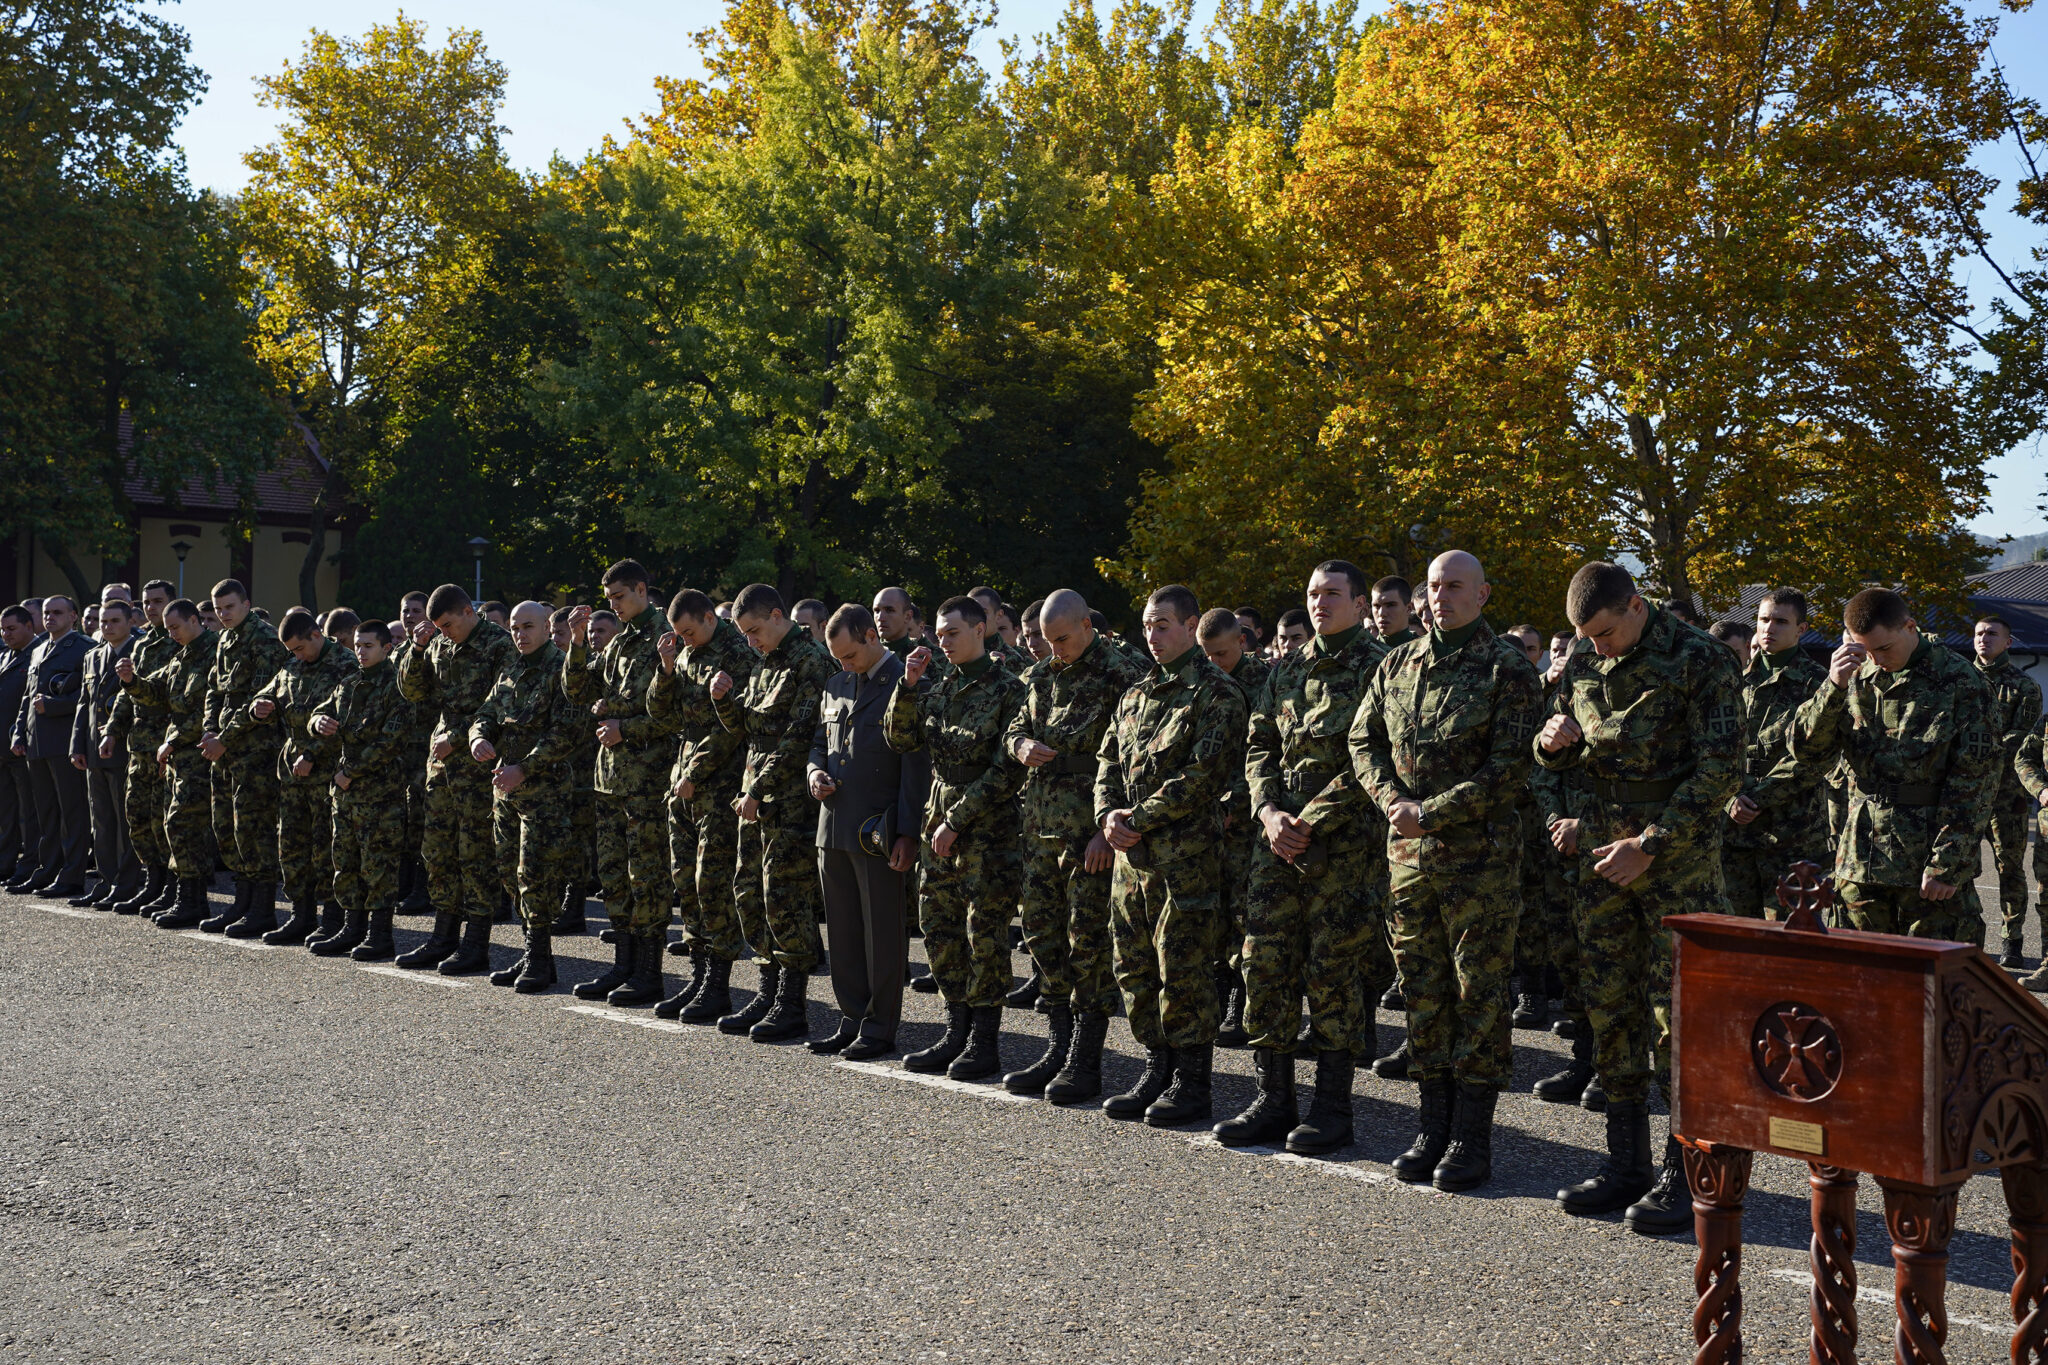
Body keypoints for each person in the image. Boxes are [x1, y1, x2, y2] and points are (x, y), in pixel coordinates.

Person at [1536, 562, 1742, 1234]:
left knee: (1678, 1022)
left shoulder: (1700, 658)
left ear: (1634, 605)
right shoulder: (1585, 664)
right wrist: (1549, 747)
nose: (1595, 648)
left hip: (1673, 868)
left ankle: (1689, 1177)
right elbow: (1569, 754)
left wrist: (1650, 842)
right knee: (1613, 1011)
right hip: (1602, 864)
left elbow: (1721, 770)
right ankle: (1625, 1163)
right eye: (1583, 638)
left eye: (1603, 633)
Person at [1353, 551, 1542, 1191]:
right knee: (1422, 991)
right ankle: (1432, 1126)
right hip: (1407, 862)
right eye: (1433, 587)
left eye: (1455, 586)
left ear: (1483, 594)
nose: (1442, 597)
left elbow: (1511, 768)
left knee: (1478, 997)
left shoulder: (1508, 670)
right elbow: (1363, 741)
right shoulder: (1397, 662)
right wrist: (1390, 801)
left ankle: (1471, 1137)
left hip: (1478, 862)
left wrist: (1430, 812)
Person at [1215, 564, 1389, 1153]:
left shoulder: (1379, 666)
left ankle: (1332, 1107)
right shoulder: (1286, 665)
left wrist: (1309, 820)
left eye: (1332, 595)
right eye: (1312, 594)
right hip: (1277, 842)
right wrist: (1268, 812)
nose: (1319, 604)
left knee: (1333, 971)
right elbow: (1259, 741)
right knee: (1265, 960)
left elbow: (1376, 756)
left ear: (1360, 603)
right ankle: (1273, 1097)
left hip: (1343, 845)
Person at [1096, 584, 1248, 1127]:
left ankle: (1191, 1081)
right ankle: (1156, 1066)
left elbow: (1204, 776)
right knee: (1134, 968)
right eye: (1147, 626)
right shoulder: (1137, 694)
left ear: (1190, 627)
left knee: (1183, 970)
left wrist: (1136, 819)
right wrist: (1108, 814)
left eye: (1163, 625)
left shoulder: (1218, 693)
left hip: (1186, 860)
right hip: (1131, 862)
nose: (1153, 636)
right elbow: (1108, 760)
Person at [1789, 588, 1999, 949]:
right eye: (1865, 649)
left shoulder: (1963, 684)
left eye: (1883, 648)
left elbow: (1976, 784)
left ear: (1910, 627)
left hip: (1925, 865)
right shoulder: (1853, 677)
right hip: (1860, 860)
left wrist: (1946, 864)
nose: (1875, 658)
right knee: (1857, 978)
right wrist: (1833, 686)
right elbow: (1807, 751)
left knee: (1931, 986)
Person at [1001, 589, 1146, 1097]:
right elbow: (1013, 726)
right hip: (1039, 830)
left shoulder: (1122, 675)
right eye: (1046, 640)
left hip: (1090, 835)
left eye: (1062, 638)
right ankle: (1057, 1048)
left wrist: (1102, 830)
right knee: (1043, 937)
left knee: (1089, 945)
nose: (1054, 648)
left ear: (1088, 625)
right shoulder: (1041, 674)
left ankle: (1086, 1061)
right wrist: (1020, 745)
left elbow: (1132, 760)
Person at [884, 595, 1028, 1075]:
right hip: (939, 821)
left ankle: (985, 1042)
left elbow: (1006, 769)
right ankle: (956, 1031)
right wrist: (907, 685)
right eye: (939, 634)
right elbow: (899, 739)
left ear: (981, 629)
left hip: (987, 830)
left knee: (983, 933)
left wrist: (958, 819)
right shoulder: (939, 687)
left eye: (953, 633)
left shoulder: (1010, 689)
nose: (942, 642)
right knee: (940, 927)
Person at [711, 583, 836, 1039]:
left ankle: (792, 1001)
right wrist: (723, 700)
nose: (750, 641)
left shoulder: (812, 661)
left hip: (786, 798)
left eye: (755, 630)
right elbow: (748, 727)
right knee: (750, 893)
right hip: (755, 794)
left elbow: (800, 736)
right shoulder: (766, 663)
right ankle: (767, 991)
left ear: (779, 615)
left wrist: (759, 790)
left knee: (785, 897)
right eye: (744, 633)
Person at [808, 603, 929, 1057]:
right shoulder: (836, 682)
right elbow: (821, 743)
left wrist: (908, 832)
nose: (844, 665)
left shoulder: (905, 681)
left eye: (850, 655)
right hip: (833, 824)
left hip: (877, 829)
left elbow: (915, 764)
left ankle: (880, 1026)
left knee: (881, 933)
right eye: (836, 657)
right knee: (841, 930)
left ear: (870, 637)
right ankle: (851, 1016)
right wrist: (813, 774)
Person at [563, 561, 682, 1007]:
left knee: (645, 876)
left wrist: (624, 728)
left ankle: (649, 972)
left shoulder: (663, 639)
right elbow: (579, 692)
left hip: (646, 780)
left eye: (618, 597)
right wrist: (577, 643)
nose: (611, 605)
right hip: (610, 779)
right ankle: (624, 964)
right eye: (608, 598)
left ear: (641, 589)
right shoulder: (621, 640)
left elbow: (671, 714)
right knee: (614, 875)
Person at [647, 589, 759, 1022]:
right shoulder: (687, 654)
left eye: (689, 631)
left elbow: (731, 728)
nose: (685, 640)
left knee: (712, 882)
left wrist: (693, 774)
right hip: (685, 779)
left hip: (720, 782)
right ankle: (698, 975)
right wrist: (666, 669)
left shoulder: (738, 653)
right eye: (678, 634)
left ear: (710, 618)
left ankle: (719, 983)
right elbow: (664, 716)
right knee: (685, 880)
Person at [396, 584, 519, 973]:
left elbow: (505, 702)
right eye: (438, 627)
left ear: (469, 611)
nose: (443, 632)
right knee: (438, 850)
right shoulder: (440, 644)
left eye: (448, 624)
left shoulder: (500, 644)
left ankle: (476, 943)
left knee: (476, 854)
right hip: (443, 764)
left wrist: (458, 735)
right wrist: (417, 650)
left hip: (479, 763)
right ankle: (443, 935)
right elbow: (412, 691)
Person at [470, 602, 582, 992]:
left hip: (543, 790)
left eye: (528, 626)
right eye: (515, 627)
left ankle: (539, 957)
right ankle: (535, 955)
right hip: (506, 791)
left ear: (547, 628)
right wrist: (479, 737)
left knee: (537, 872)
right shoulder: (511, 667)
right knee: (509, 872)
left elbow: (565, 733)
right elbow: (486, 711)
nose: (519, 634)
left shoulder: (561, 669)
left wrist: (525, 768)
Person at [246, 608, 357, 945]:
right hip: (293, 773)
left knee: (327, 847)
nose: (296, 655)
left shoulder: (346, 664)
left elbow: (346, 722)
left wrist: (312, 754)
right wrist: (259, 705)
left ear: (316, 635)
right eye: (291, 651)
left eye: (299, 648)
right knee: (293, 845)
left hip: (326, 770)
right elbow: (269, 692)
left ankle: (332, 917)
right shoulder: (293, 665)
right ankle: (301, 915)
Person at [308, 622, 414, 957]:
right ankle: (351, 928)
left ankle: (380, 935)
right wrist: (317, 722)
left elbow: (390, 742)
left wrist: (350, 773)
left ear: (387, 648)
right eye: (357, 645)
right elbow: (322, 711)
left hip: (380, 794)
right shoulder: (350, 682)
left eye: (368, 645)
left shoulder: (398, 686)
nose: (361, 651)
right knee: (346, 860)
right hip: (347, 794)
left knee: (378, 865)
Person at [1723, 589, 1828, 921]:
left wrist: (1754, 797)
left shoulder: (1818, 685)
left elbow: (1815, 759)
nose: (1769, 628)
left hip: (1790, 832)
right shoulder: (1732, 681)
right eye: (1763, 620)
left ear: (1801, 629)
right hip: (1734, 833)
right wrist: (1731, 796)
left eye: (1781, 621)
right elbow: (1713, 748)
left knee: (1788, 936)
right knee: (1734, 930)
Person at [199, 579, 293, 935]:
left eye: (229, 607)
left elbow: (261, 703)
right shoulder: (225, 638)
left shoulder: (265, 640)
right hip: (224, 750)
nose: (222, 615)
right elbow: (214, 689)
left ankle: (263, 909)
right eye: (218, 608)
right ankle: (242, 903)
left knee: (254, 830)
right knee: (227, 828)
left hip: (255, 753)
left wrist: (223, 737)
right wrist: (209, 729)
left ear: (246, 604)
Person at [116, 598, 217, 929]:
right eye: (168, 628)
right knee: (176, 825)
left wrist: (173, 740)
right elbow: (156, 690)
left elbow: (208, 709)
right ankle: (189, 899)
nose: (170, 633)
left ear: (193, 620)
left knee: (184, 824)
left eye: (175, 627)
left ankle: (192, 899)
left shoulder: (213, 652)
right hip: (180, 757)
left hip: (201, 753)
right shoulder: (182, 655)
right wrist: (132, 681)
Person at [1196, 606, 1267, 1048]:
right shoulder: (1201, 681)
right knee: (1215, 911)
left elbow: (1262, 752)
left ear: (1242, 641)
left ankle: (1243, 1004)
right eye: (1207, 655)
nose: (1214, 662)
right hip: (1207, 815)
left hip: (1244, 818)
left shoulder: (1262, 683)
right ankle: (1220, 998)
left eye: (1221, 653)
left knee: (1243, 912)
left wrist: (1236, 802)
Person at [10, 594, 91, 897]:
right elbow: (27, 699)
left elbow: (86, 699)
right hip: (36, 743)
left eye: (58, 612)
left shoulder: (83, 648)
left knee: (71, 813)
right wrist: (19, 732)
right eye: (46, 613)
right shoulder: (39, 649)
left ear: (74, 616)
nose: (50, 618)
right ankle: (48, 870)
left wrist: (54, 705)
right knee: (45, 813)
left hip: (64, 741)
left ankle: (71, 875)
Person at [1976, 614, 2045, 965]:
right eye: (1979, 633)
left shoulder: (2024, 687)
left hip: (2008, 796)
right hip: (1966, 795)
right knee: (1957, 867)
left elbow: (2022, 741)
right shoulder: (1959, 682)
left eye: (1992, 634)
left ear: (2008, 643)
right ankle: (1966, 939)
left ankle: (2012, 940)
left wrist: (1973, 747)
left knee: (2009, 869)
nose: (1983, 639)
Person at [67, 599, 139, 907]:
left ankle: (128, 883)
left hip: (124, 748)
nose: (105, 626)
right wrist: (76, 744)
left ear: (128, 622)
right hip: (94, 751)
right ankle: (108, 880)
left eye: (113, 621)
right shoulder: (93, 656)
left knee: (125, 820)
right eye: (102, 621)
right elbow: (84, 703)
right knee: (102, 820)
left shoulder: (139, 653)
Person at [391, 591, 435, 913]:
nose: (409, 617)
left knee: (422, 820)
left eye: (416, 611)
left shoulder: (433, 650)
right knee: (403, 820)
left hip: (426, 747)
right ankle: (404, 883)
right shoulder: (398, 653)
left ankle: (423, 888)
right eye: (405, 611)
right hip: (401, 749)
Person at [0, 606, 37, 885]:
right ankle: (5, 863)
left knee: (29, 811)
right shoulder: (4, 656)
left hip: (23, 745)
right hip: (3, 747)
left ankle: (29, 864)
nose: (5, 634)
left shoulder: (39, 652)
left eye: (11, 628)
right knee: (6, 811)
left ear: (28, 625)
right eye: (2, 629)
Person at [1370, 577, 1418, 647]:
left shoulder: (1428, 650)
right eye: (1376, 606)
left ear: (1409, 608)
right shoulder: (1360, 652)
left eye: (1390, 605)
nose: (1381, 613)